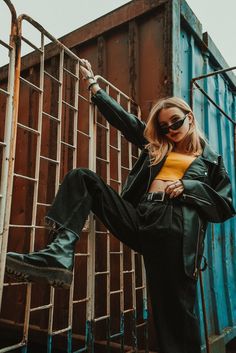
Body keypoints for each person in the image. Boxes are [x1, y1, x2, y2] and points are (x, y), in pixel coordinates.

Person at [5, 59, 235, 353]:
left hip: (176, 230)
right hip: (142, 217)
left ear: (190, 117)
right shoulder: (157, 147)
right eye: (164, 128)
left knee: (174, 314)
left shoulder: (211, 163)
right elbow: (127, 122)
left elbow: (225, 206)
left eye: (176, 122)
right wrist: (94, 87)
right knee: (83, 179)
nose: (170, 130)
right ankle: (59, 255)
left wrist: (190, 188)